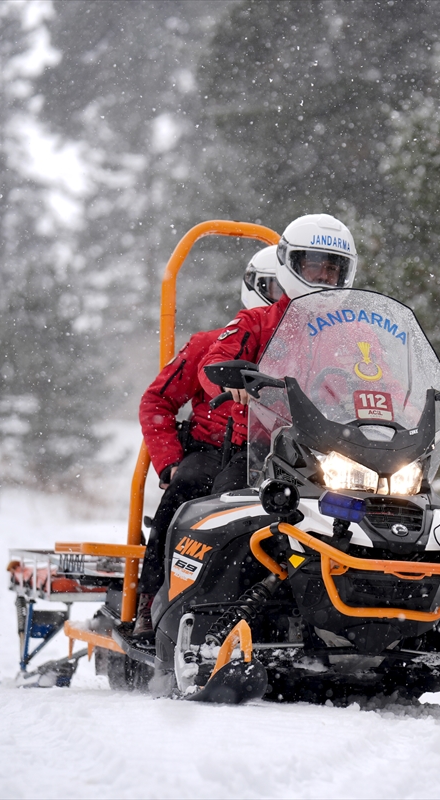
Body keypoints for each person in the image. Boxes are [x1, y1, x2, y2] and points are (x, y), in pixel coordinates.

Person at [132, 245, 283, 636]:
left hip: (285, 455)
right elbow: (156, 400)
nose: (280, 296)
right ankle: (154, 597)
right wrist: (169, 462)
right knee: (189, 491)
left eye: (287, 288)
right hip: (214, 449)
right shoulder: (210, 345)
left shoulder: (309, 354)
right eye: (272, 287)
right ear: (254, 287)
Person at [198, 213, 357, 494]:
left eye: (332, 269)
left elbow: (383, 378)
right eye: (313, 266)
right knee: (227, 509)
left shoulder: (355, 334)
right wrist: (230, 381)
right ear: (291, 263)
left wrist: (413, 409)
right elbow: (214, 362)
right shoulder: (256, 321)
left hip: (337, 451)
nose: (323, 275)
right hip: (260, 450)